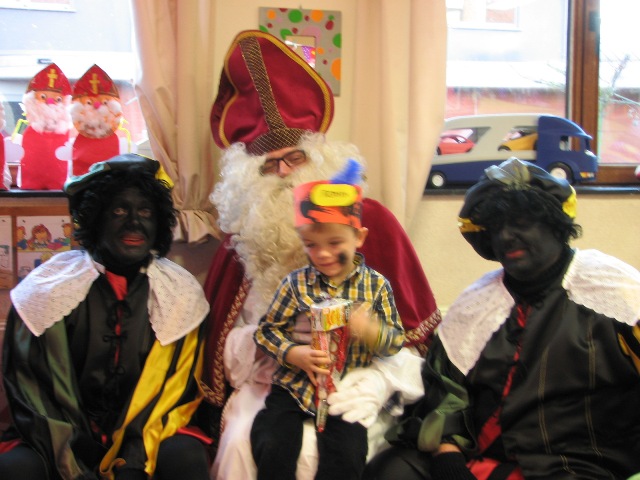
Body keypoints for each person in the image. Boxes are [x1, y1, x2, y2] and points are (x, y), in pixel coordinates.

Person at [199, 30, 441, 479]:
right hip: (272, 387)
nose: (284, 174)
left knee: (329, 457)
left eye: (294, 158)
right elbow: (222, 356)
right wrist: (281, 347)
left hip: (358, 384)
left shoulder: (373, 223)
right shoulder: (241, 240)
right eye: (269, 165)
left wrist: (377, 379)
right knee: (244, 449)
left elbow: (412, 345)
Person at [364, 157, 640, 480]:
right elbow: (446, 393)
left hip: (579, 464)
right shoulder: (476, 302)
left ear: (555, 224)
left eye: (520, 222)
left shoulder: (616, 290)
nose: (506, 236)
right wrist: (448, 456)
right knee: (392, 469)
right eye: (496, 227)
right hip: (484, 458)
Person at [0, 154, 211, 480]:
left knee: (186, 457)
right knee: (16, 469)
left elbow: (175, 393)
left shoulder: (179, 293)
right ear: (96, 219)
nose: (134, 223)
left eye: (145, 212)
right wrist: (72, 462)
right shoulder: (46, 290)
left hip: (146, 432)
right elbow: (31, 392)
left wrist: (133, 460)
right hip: (55, 436)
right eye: (119, 211)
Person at [251, 161, 405, 480]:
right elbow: (265, 332)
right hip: (294, 386)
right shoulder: (295, 284)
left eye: (334, 243)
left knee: (347, 456)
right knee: (273, 444)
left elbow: (396, 343)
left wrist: (372, 331)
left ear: (358, 237)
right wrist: (293, 353)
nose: (322, 254)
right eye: (311, 245)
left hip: (345, 389)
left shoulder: (376, 287)